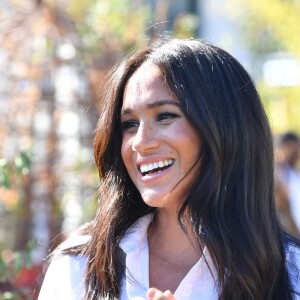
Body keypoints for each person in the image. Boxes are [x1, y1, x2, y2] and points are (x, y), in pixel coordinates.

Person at [38, 38, 300, 300]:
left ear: (225, 129)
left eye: (165, 116)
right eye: (129, 124)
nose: (140, 141)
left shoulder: (292, 272)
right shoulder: (77, 267)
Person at [275, 131, 300, 235]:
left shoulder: (295, 174)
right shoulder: (277, 174)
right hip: (285, 231)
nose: (295, 153)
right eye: (291, 148)